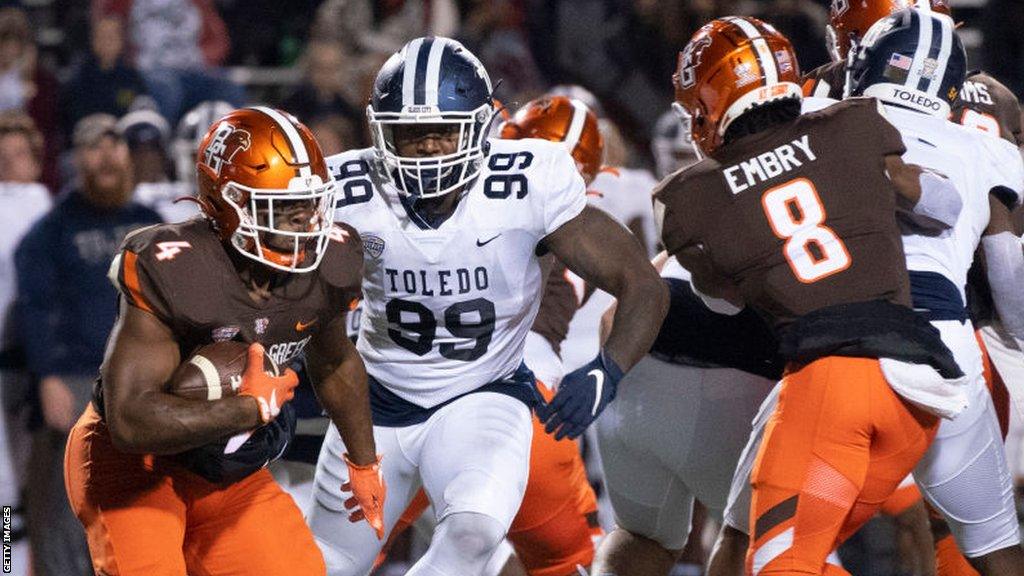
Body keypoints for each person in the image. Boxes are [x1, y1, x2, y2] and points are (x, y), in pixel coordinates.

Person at [308, 36, 667, 576]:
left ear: (480, 128)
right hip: (374, 400)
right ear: (380, 132)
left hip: (482, 393)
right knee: (328, 564)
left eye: (442, 132)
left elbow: (641, 283)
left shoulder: (530, 180)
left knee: (474, 532)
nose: (429, 148)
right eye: (410, 134)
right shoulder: (344, 188)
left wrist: (605, 371)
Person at [657, 15, 966, 576]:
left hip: (830, 389)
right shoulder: (850, 125)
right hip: (917, 392)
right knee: (774, 554)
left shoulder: (689, 198)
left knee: (781, 565)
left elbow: (725, 302)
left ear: (706, 103)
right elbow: (943, 206)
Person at [62, 107, 384, 575]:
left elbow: (334, 359)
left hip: (226, 472)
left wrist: (363, 463)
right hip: (136, 469)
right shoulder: (173, 266)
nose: (304, 222)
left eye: (310, 203)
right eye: (281, 207)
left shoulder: (330, 263)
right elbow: (130, 421)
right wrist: (247, 410)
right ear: (226, 205)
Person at [372, 95, 610, 576]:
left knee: (338, 553)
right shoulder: (579, 224)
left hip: (405, 397)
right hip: (522, 403)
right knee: (564, 561)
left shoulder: (428, 202)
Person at [14, 113, 162, 576]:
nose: (106, 156)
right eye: (94, 147)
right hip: (77, 381)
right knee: (61, 509)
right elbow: (33, 309)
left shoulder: (149, 222)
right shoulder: (52, 230)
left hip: (141, 385)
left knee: (140, 505)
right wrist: (48, 377)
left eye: (114, 146)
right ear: (77, 159)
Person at [0, 111, 51, 576]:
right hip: (2, 360)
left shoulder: (45, 204)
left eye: (21, 154)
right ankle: (6, 565)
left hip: (40, 360)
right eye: (5, 155)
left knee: (40, 479)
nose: (13, 163)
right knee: (3, 488)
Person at [118, 108, 198, 223]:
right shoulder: (115, 202)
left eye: (152, 150)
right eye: (137, 151)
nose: (145, 159)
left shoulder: (186, 193)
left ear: (165, 155)